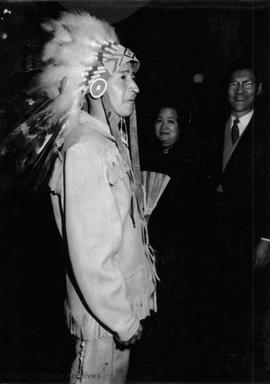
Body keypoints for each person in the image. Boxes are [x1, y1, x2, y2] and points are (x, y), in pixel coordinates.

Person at [0, 12, 157, 384]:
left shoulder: (103, 141)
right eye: (123, 77)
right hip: (104, 321)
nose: (135, 87)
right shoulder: (86, 150)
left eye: (132, 76)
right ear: (96, 86)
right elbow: (90, 255)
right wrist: (122, 320)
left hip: (111, 312)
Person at [205, 60, 270, 380]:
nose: (240, 90)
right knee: (217, 305)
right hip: (215, 234)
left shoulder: (266, 131)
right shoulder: (211, 125)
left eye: (247, 84)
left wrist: (267, 239)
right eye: (234, 84)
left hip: (250, 234)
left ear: (259, 89)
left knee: (248, 310)